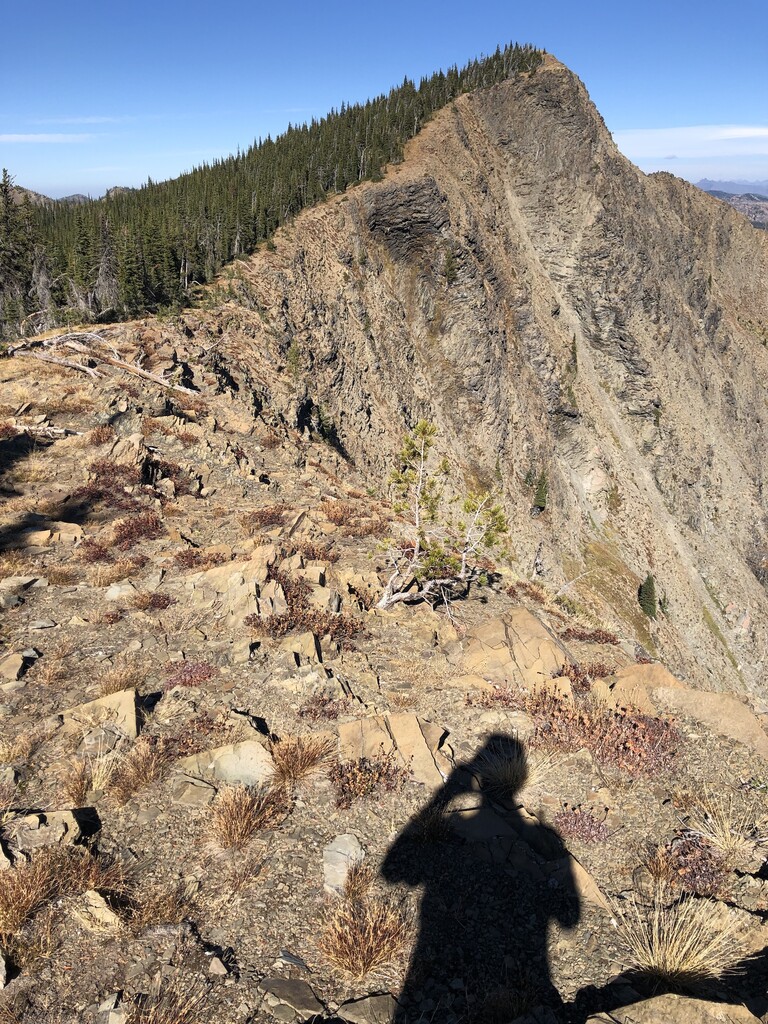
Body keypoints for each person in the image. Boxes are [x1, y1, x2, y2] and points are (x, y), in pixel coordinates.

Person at [382, 734, 580, 1023]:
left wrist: (444, 796)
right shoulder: (542, 838)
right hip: (523, 962)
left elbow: (393, 871)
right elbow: (569, 917)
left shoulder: (458, 823)